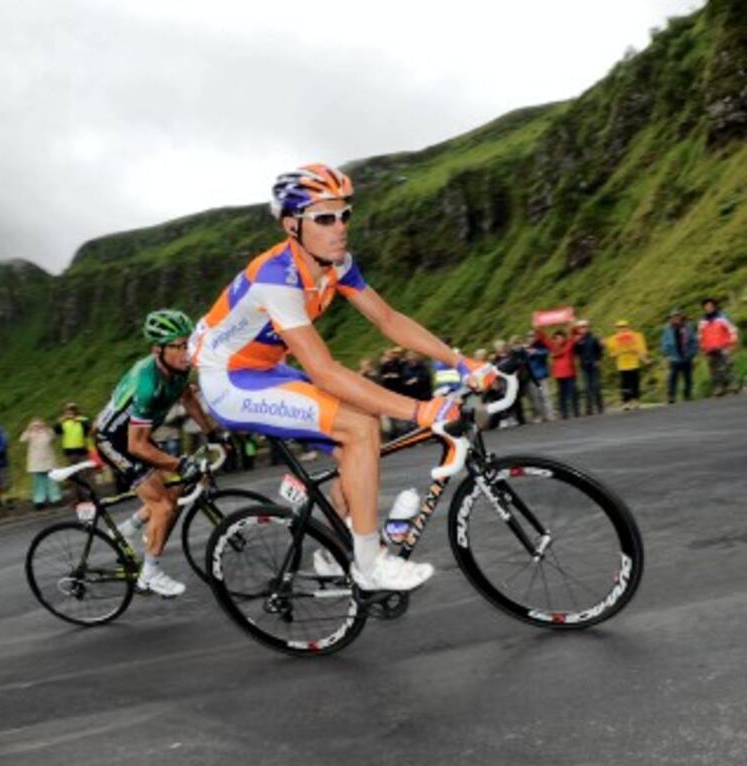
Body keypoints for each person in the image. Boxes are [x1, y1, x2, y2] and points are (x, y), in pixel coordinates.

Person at [189, 164, 495, 592]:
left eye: (344, 215)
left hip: (265, 367)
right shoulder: (277, 279)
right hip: (229, 380)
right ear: (292, 225)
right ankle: (369, 564)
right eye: (325, 218)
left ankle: (333, 548)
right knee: (359, 426)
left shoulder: (336, 265)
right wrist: (420, 410)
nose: (340, 228)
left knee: (354, 441)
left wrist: (459, 361)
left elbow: (388, 319)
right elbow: (324, 371)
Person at [94, 309, 221, 598]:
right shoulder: (148, 383)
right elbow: (136, 446)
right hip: (115, 441)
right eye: (177, 346)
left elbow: (187, 396)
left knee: (175, 490)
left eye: (187, 343)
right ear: (158, 350)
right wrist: (180, 461)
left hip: (138, 436)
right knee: (163, 505)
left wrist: (211, 431)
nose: (185, 352)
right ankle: (148, 574)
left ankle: (126, 529)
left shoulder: (177, 368)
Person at [698, 297, 739, 396]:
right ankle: (719, 388)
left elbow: (732, 330)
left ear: (714, 307)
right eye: (706, 307)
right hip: (710, 349)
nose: (708, 308)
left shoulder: (722, 318)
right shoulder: (702, 322)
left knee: (727, 366)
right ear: (704, 308)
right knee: (714, 370)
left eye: (710, 306)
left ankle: (733, 385)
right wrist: (703, 348)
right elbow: (700, 336)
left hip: (723, 346)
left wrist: (732, 343)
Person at [536, 327, 579, 419]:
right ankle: (564, 413)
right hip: (560, 375)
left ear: (564, 338)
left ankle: (576, 412)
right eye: (556, 338)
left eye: (560, 337)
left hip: (570, 374)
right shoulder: (553, 346)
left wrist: (572, 324)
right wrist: (538, 328)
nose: (559, 339)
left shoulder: (569, 345)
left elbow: (574, 334)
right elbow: (543, 338)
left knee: (573, 393)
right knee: (562, 394)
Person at [605, 320, 649, 410]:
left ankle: (636, 401)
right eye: (620, 327)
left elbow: (640, 349)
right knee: (625, 386)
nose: (622, 329)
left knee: (635, 383)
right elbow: (612, 355)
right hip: (622, 366)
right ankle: (626, 402)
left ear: (628, 327)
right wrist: (621, 351)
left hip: (634, 364)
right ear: (616, 329)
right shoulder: (613, 340)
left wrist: (645, 359)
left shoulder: (635, 337)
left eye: (624, 326)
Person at [20, 418, 62, 509]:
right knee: (38, 483)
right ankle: (39, 501)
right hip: (36, 463)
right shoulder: (30, 434)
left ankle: (56, 498)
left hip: (49, 462)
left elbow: (53, 438)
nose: (37, 427)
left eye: (39, 425)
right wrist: (28, 429)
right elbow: (22, 439)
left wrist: (46, 429)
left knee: (52, 481)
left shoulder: (48, 432)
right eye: (35, 425)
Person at [661, 309, 699, 403]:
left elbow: (694, 341)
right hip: (674, 357)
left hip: (687, 356)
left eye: (677, 316)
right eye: (673, 317)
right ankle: (671, 396)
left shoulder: (687, 327)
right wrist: (667, 355)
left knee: (688, 378)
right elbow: (664, 343)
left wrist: (692, 353)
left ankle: (687, 395)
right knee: (672, 378)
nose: (676, 318)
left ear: (681, 317)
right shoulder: (667, 329)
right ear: (670, 319)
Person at [574, 320, 605, 415]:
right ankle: (589, 409)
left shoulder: (594, 338)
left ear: (587, 328)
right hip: (584, 366)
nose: (582, 329)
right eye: (580, 328)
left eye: (584, 327)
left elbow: (600, 350)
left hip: (594, 365)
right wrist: (577, 343)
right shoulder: (578, 340)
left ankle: (600, 407)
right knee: (587, 388)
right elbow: (576, 353)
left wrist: (599, 361)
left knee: (596, 386)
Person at [525, 331, 553, 422]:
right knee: (535, 398)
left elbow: (545, 353)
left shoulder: (541, 346)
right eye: (529, 337)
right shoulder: (525, 349)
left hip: (542, 376)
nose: (531, 338)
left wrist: (535, 352)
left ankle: (549, 415)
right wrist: (527, 352)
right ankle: (539, 416)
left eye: (533, 336)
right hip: (532, 378)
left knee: (546, 396)